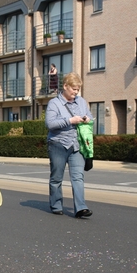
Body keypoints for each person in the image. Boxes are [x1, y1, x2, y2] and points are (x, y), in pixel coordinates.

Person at [45, 72, 93, 218]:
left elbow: (90, 117)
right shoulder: (54, 103)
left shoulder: (81, 102)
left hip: (77, 145)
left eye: (78, 89)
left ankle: (81, 207)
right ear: (65, 86)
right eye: (74, 89)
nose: (76, 92)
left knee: (78, 177)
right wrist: (70, 121)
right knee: (57, 177)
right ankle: (56, 204)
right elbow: (50, 123)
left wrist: (86, 119)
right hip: (58, 144)